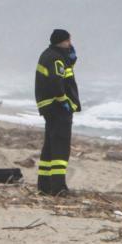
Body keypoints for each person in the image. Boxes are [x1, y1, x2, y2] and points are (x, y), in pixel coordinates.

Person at [35, 29, 81, 196]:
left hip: (49, 107)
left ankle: (44, 185)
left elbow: (61, 75)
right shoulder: (56, 58)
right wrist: (65, 101)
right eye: (69, 41)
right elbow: (57, 82)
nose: (71, 44)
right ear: (62, 41)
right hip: (57, 108)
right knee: (60, 148)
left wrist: (71, 61)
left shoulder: (49, 55)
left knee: (49, 146)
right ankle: (59, 187)